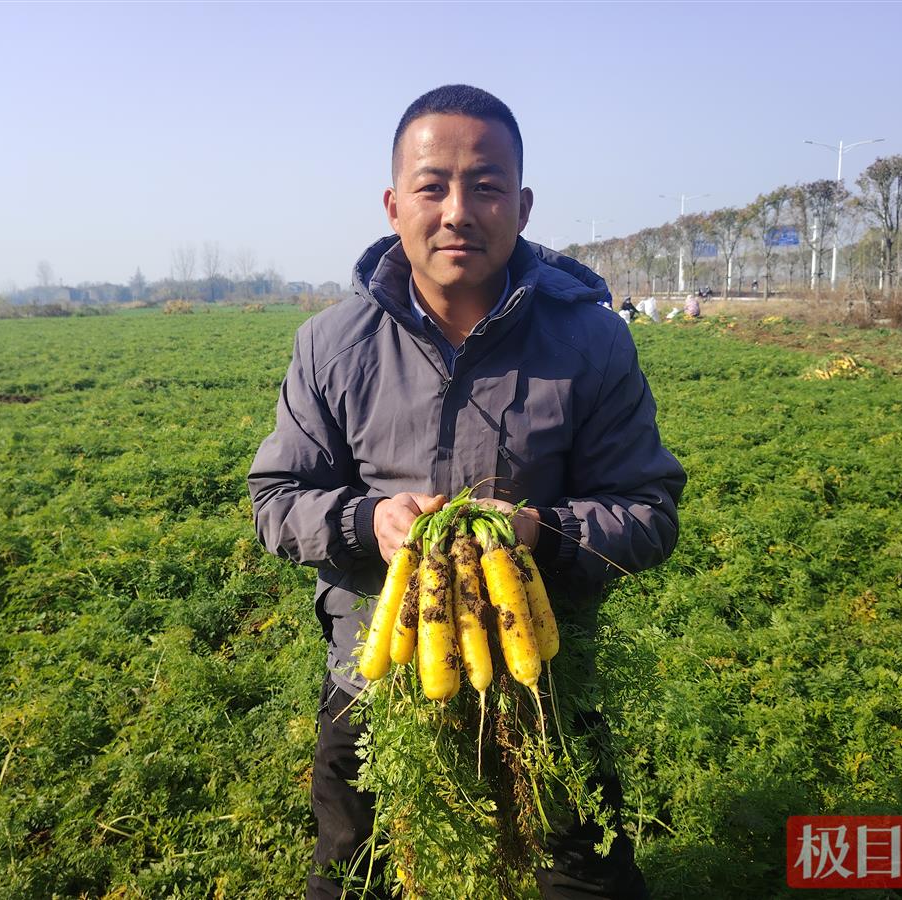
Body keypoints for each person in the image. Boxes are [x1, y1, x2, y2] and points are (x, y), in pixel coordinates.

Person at [248, 84, 686, 899]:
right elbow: (276, 499)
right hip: (376, 675)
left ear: (521, 205)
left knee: (584, 880)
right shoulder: (331, 345)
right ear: (394, 205)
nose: (458, 211)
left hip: (541, 676)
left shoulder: (592, 343)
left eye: (485, 186)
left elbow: (648, 512)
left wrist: (540, 533)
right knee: (354, 875)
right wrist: (368, 522)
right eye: (432, 186)